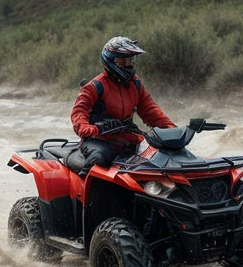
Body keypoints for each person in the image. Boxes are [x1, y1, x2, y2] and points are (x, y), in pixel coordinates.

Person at [70, 36, 175, 176]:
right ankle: (86, 195)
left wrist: (173, 131)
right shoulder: (95, 86)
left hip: (127, 139)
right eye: (122, 60)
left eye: (130, 60)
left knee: (159, 156)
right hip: (99, 140)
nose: (127, 64)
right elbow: (78, 112)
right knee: (100, 157)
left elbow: (151, 111)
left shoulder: (135, 84)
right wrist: (89, 129)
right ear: (111, 59)